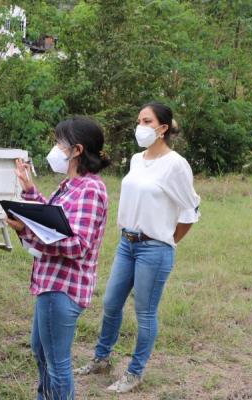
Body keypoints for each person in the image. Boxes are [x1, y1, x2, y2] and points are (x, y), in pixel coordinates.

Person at [75, 102, 201, 393]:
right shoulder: (135, 159)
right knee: (110, 303)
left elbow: (191, 208)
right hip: (126, 243)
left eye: (147, 121)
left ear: (163, 128)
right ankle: (101, 359)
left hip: (154, 249)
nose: (140, 126)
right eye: (139, 121)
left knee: (144, 313)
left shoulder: (175, 165)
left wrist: (167, 238)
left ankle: (135, 372)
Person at [6, 116, 111, 400]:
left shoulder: (90, 189)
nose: (55, 149)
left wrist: (26, 228)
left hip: (63, 287)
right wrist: (30, 192)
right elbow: (53, 221)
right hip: (50, 283)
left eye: (59, 142)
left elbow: (78, 244)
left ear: (76, 150)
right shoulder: (71, 185)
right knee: (41, 351)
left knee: (57, 364)